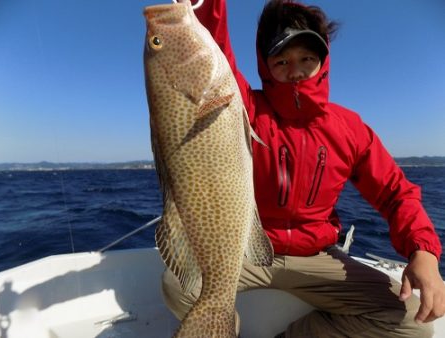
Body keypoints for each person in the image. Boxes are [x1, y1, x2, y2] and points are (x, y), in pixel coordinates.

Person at [161, 0, 445, 336]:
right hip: (248, 251)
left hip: (317, 256)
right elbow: (211, 51)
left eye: (306, 59)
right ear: (265, 66)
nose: (295, 70)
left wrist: (423, 250)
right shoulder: (244, 107)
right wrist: (202, 6)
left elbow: (395, 193)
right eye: (281, 60)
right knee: (178, 286)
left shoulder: (350, 128)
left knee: (415, 322)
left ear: (323, 62)